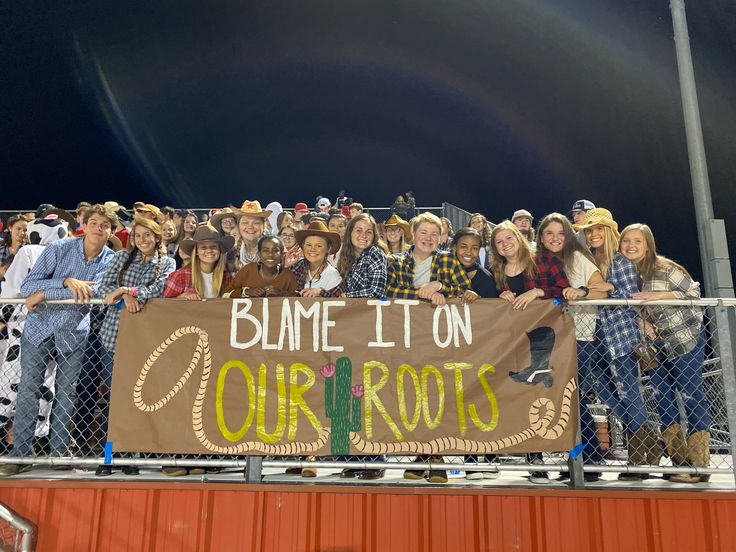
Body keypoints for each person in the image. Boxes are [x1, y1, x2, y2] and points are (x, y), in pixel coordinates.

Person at [0, 204, 117, 476]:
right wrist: (65, 282)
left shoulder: (110, 259)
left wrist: (45, 293)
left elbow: (97, 290)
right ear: (84, 226)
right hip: (40, 328)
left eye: (105, 225)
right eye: (95, 223)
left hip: (74, 331)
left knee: (67, 394)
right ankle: (21, 454)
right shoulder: (58, 249)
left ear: (111, 230)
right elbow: (29, 287)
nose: (99, 229)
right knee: (28, 390)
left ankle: (60, 452)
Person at [620, 223, 710, 484]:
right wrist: (642, 323)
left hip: (684, 340)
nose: (631, 246)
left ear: (647, 244)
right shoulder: (628, 275)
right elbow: (633, 308)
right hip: (655, 347)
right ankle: (678, 459)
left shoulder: (666, 268)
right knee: (664, 399)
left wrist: (657, 295)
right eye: (626, 242)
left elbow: (694, 292)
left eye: (637, 241)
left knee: (690, 394)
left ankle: (699, 464)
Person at [386, 212, 471, 483]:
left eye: (434, 234)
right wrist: (426, 293)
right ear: (413, 234)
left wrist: (442, 285)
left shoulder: (446, 259)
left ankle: (434, 458)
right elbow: (391, 290)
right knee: (411, 396)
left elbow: (464, 287)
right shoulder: (397, 260)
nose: (428, 238)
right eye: (423, 233)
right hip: (406, 335)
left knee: (436, 396)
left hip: (439, 338)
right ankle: (421, 454)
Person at [574, 208, 655, 481]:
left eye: (599, 229)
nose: (594, 234)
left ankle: (638, 458)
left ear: (609, 232)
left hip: (621, 335)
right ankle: (648, 438)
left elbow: (629, 296)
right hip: (597, 336)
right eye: (589, 230)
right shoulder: (590, 259)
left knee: (629, 391)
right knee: (605, 390)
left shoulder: (620, 260)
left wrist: (602, 290)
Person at [92, 217, 176, 476]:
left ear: (157, 236)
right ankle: (108, 457)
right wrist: (123, 297)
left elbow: (161, 289)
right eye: (137, 236)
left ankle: (131, 455)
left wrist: (128, 291)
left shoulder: (168, 262)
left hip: (145, 339)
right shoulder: (120, 259)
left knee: (137, 399)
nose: (142, 240)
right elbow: (105, 290)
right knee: (112, 399)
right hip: (113, 335)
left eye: (147, 235)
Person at [489, 220, 570, 483]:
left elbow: (564, 291)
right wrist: (500, 297)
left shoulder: (541, 259)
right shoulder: (498, 270)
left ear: (519, 237)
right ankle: (535, 461)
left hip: (547, 342)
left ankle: (576, 462)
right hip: (515, 344)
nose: (505, 244)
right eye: (499, 242)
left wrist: (538, 291)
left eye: (508, 238)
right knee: (522, 399)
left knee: (550, 396)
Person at [536, 213, 611, 482]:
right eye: (549, 234)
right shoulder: (540, 262)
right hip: (552, 339)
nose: (555, 238)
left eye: (560, 233)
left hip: (579, 337)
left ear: (568, 236)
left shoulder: (578, 258)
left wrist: (581, 292)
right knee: (563, 402)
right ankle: (577, 461)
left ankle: (590, 459)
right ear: (541, 237)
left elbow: (602, 290)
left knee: (572, 401)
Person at [450, 228, 500, 480]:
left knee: (485, 402)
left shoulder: (485, 277)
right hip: (452, 350)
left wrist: (478, 299)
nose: (468, 253)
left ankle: (490, 459)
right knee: (463, 404)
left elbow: (495, 313)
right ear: (454, 247)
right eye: (463, 247)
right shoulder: (445, 273)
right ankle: (470, 461)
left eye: (473, 248)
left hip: (482, 348)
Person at [164, 224, 235, 302]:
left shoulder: (227, 277)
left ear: (219, 250)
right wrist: (181, 297)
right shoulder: (180, 276)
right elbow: (163, 305)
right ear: (196, 252)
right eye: (203, 247)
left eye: (213, 247)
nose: (209, 250)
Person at [224, 235, 297, 298]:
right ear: (259, 254)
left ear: (281, 255)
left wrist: (280, 293)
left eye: (275, 250)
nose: (270, 254)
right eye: (265, 250)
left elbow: (298, 299)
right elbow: (225, 295)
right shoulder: (248, 270)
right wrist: (246, 292)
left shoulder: (288, 276)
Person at [290, 221, 342, 297]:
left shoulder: (333, 276)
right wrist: (285, 267)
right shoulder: (296, 267)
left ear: (328, 248)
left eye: (319, 246)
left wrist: (321, 293)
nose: (312, 249)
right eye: (308, 245)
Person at [234, 200, 271, 268]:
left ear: (264, 226)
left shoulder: (273, 252)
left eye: (256, 223)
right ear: (238, 226)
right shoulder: (232, 253)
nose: (250, 227)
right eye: (245, 222)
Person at [0, 215, 29, 287]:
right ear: (10, 228)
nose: (22, 233)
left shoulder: (29, 251)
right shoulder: (1, 249)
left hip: (19, 292)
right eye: (18, 229)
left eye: (25, 230)